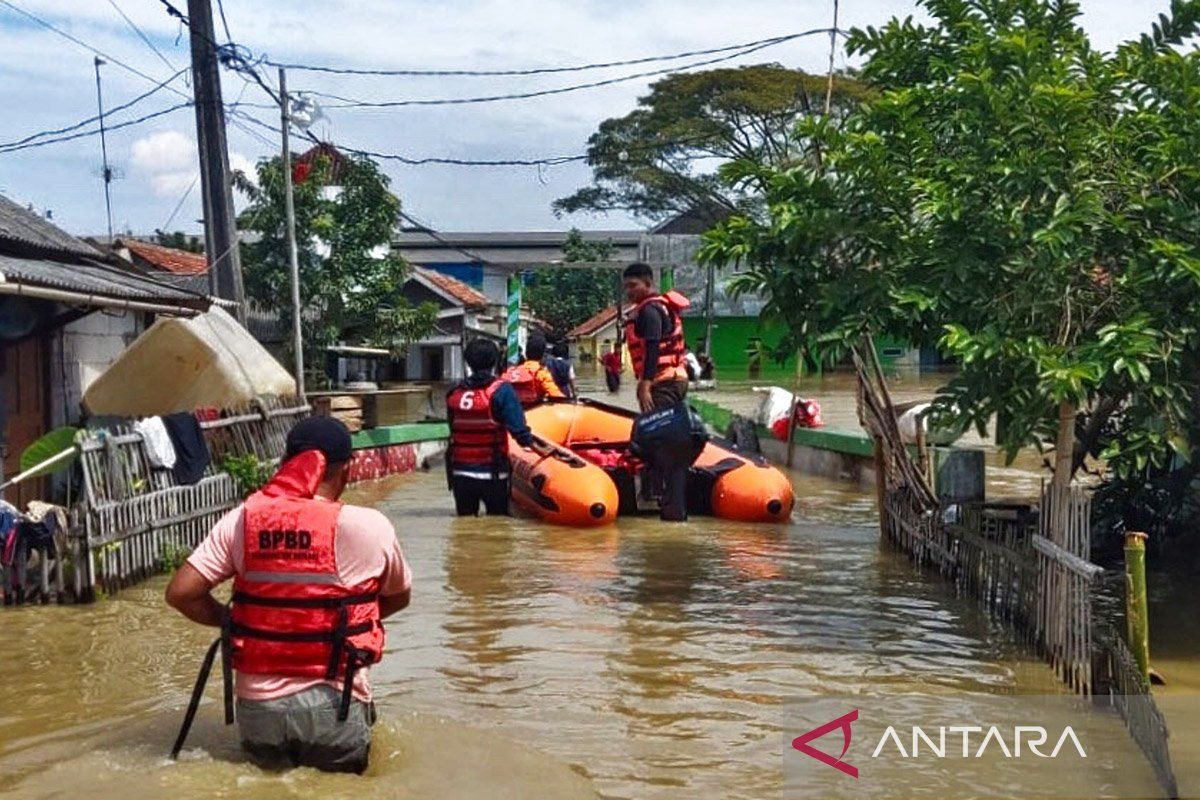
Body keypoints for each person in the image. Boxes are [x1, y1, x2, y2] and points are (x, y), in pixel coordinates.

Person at [165, 416, 412, 774]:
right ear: (347, 468)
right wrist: (332, 627)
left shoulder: (244, 520)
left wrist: (237, 621)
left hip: (259, 709)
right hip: (335, 706)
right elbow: (400, 596)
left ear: (287, 463)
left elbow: (181, 593)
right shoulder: (369, 526)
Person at [622, 262, 693, 520]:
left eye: (634, 285)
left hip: (663, 382)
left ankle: (662, 500)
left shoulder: (651, 310)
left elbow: (652, 347)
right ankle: (663, 498)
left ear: (648, 283)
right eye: (626, 286)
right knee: (659, 439)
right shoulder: (659, 307)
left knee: (659, 440)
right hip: (672, 379)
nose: (629, 291)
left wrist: (646, 383)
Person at [447, 338, 548, 516]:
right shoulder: (502, 391)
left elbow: (452, 427)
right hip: (492, 472)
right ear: (495, 361)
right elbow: (519, 432)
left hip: (460, 473)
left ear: (468, 362)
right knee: (498, 523)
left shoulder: (454, 392)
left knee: (465, 523)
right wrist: (542, 451)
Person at [501, 333, 564, 406]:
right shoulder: (541, 373)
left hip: (513, 409)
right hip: (534, 409)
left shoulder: (513, 372)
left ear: (526, 352)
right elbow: (557, 395)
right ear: (543, 354)